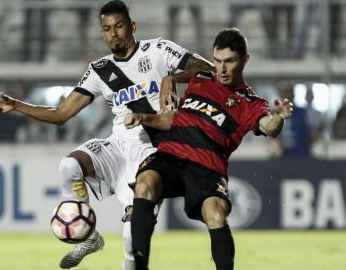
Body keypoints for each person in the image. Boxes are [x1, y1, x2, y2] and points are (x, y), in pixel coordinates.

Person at [0, 1, 215, 269]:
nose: (113, 33)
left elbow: (209, 69)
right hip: (117, 147)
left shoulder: (158, 50)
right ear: (101, 33)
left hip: (153, 154)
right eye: (106, 29)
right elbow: (61, 114)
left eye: (119, 26)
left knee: (132, 243)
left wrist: (173, 78)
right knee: (69, 166)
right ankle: (89, 235)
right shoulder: (100, 70)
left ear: (132, 26)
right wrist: (17, 106)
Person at [124, 28, 293, 270]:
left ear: (245, 59)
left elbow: (269, 127)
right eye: (217, 60)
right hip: (171, 154)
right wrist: (150, 106)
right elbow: (173, 115)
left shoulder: (250, 103)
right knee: (144, 184)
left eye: (229, 61)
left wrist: (279, 117)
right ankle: (140, 266)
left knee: (216, 213)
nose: (221, 69)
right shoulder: (201, 77)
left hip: (207, 168)